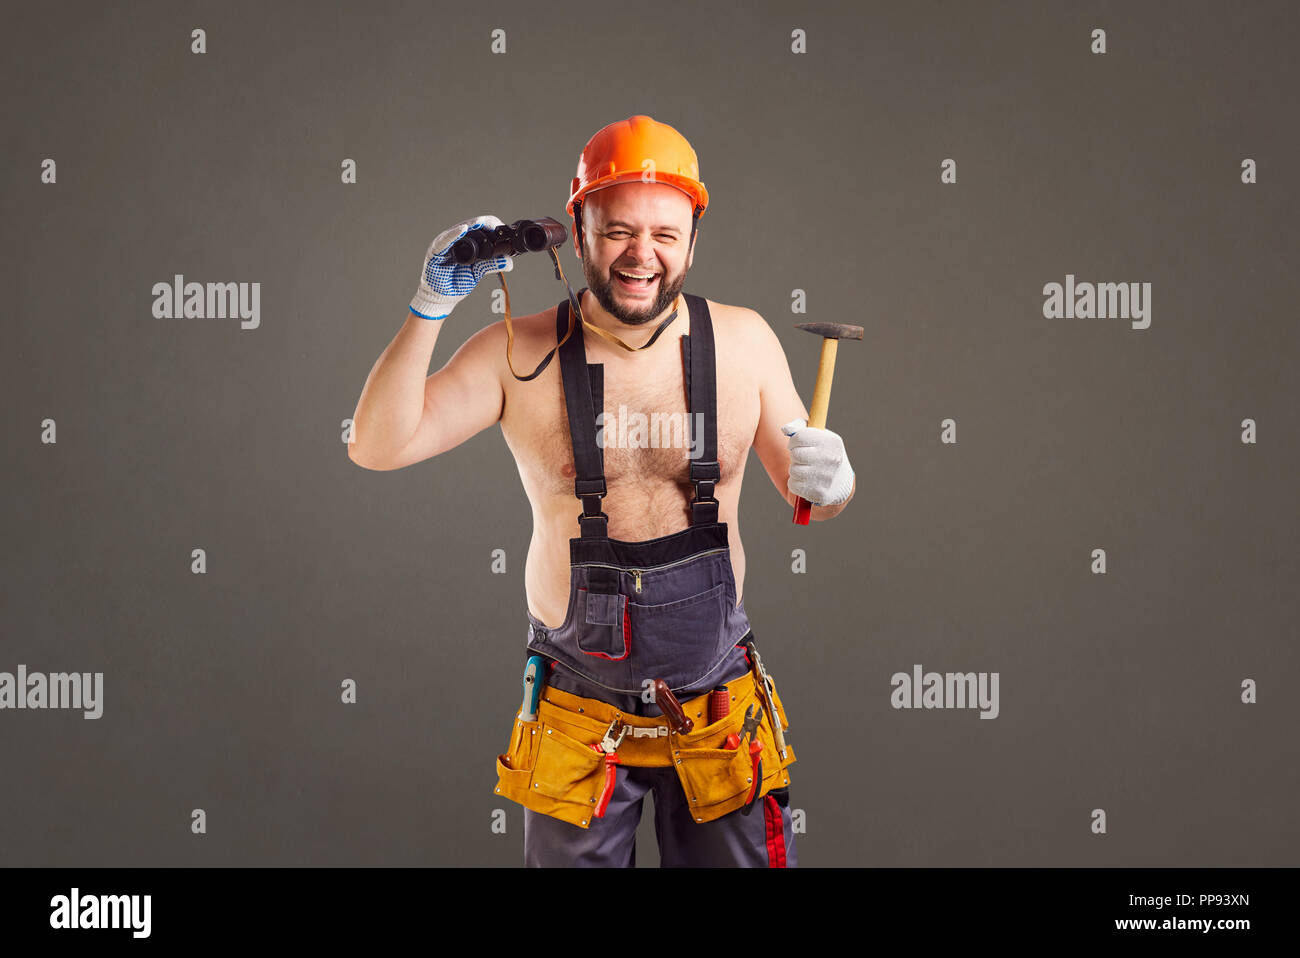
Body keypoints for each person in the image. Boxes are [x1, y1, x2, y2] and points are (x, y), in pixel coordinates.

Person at [348, 115, 855, 867]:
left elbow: (808, 496)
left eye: (664, 233)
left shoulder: (745, 343)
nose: (641, 255)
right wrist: (430, 306)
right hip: (577, 724)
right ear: (578, 229)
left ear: (693, 240)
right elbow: (375, 445)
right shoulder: (515, 352)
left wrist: (837, 479)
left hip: (717, 713)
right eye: (617, 230)